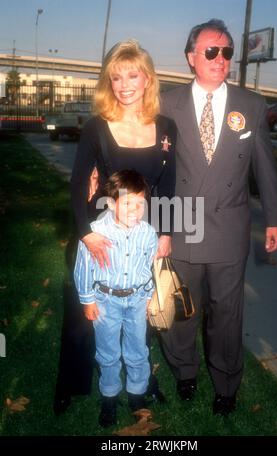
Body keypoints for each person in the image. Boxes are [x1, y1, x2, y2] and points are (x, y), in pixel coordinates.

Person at [159, 19, 277, 416]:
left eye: (227, 51)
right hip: (181, 223)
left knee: (227, 314)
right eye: (211, 51)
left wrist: (275, 218)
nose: (220, 59)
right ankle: (184, 372)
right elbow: (151, 164)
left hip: (230, 226)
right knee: (181, 308)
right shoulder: (166, 103)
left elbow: (265, 166)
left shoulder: (251, 104)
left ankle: (226, 382)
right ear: (191, 58)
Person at [53, 39, 176, 415]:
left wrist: (167, 232)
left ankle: (144, 380)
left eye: (132, 75)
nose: (124, 84)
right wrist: (86, 233)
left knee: (142, 310)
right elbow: (77, 184)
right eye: (116, 77)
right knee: (83, 310)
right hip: (101, 230)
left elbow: (170, 183)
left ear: (147, 79)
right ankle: (72, 384)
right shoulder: (96, 126)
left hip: (145, 232)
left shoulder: (167, 126)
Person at [74, 169, 158, 427]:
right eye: (127, 203)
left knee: (137, 350)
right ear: (111, 203)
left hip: (135, 301)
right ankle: (109, 396)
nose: (135, 209)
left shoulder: (148, 233)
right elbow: (83, 268)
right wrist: (88, 300)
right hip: (105, 302)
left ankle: (136, 394)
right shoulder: (95, 233)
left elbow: (148, 268)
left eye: (139, 203)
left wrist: (148, 297)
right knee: (108, 351)